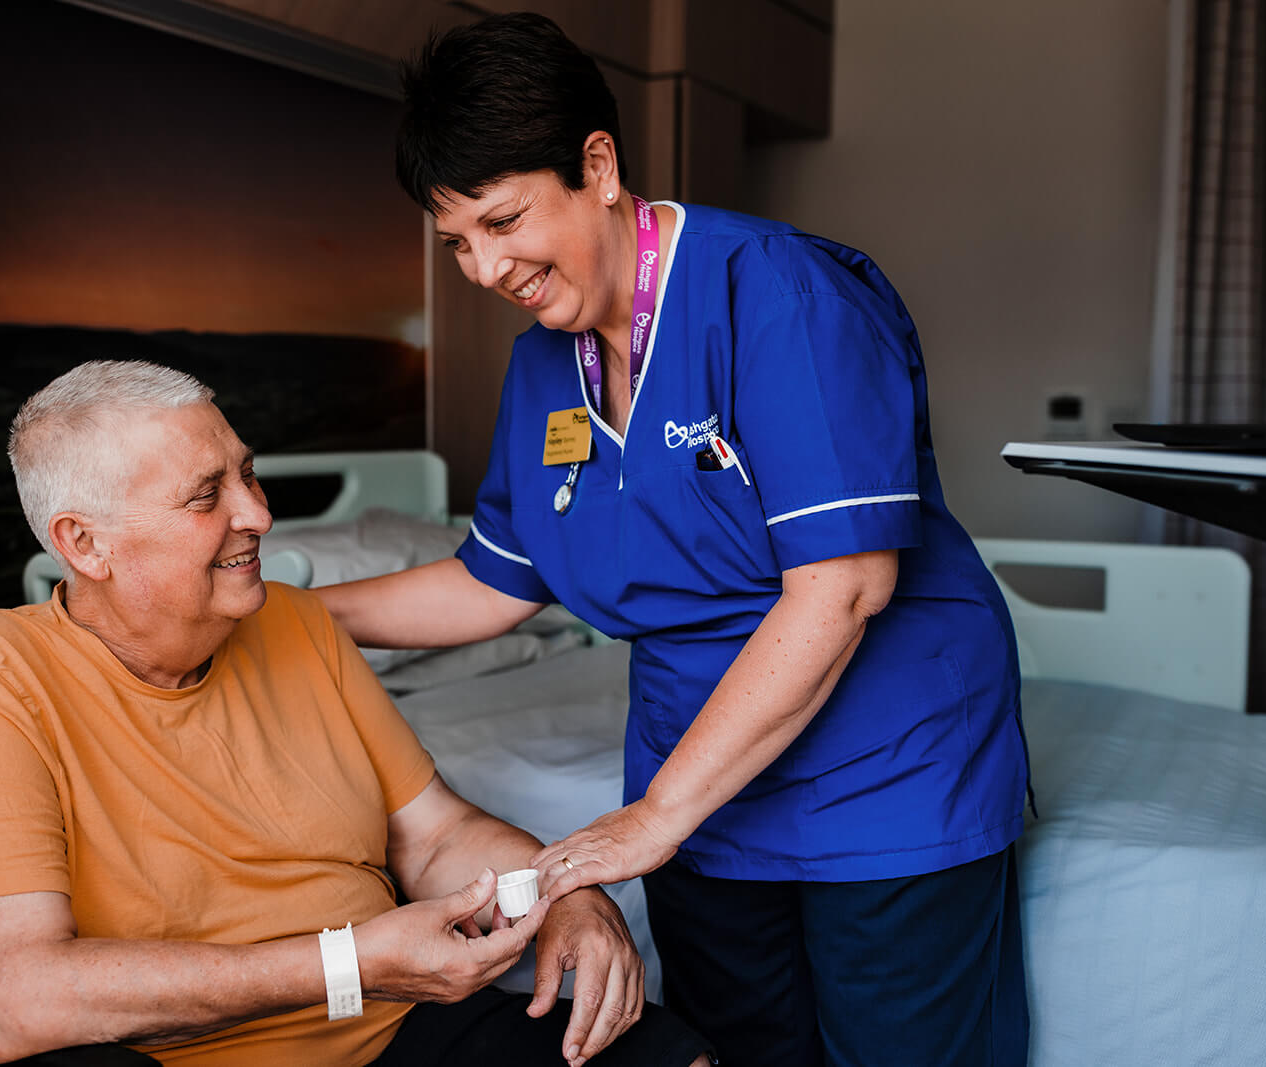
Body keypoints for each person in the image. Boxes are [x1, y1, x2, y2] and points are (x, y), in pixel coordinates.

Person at [312, 12, 1031, 1066]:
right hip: (703, 778)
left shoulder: (781, 294)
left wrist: (653, 816)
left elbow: (842, 589)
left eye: (504, 221)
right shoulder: (543, 368)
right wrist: (291, 611)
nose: (484, 267)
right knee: (738, 1047)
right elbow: (491, 584)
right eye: (458, 240)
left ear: (596, 165)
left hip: (880, 767)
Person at [0, 360, 713, 1067]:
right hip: (166, 1056)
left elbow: (435, 834)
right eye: (205, 496)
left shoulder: (296, 623)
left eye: (246, 475)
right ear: (84, 544)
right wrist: (348, 963)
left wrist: (562, 888)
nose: (256, 513)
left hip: (384, 1032)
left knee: (667, 1052)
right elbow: (1, 1000)